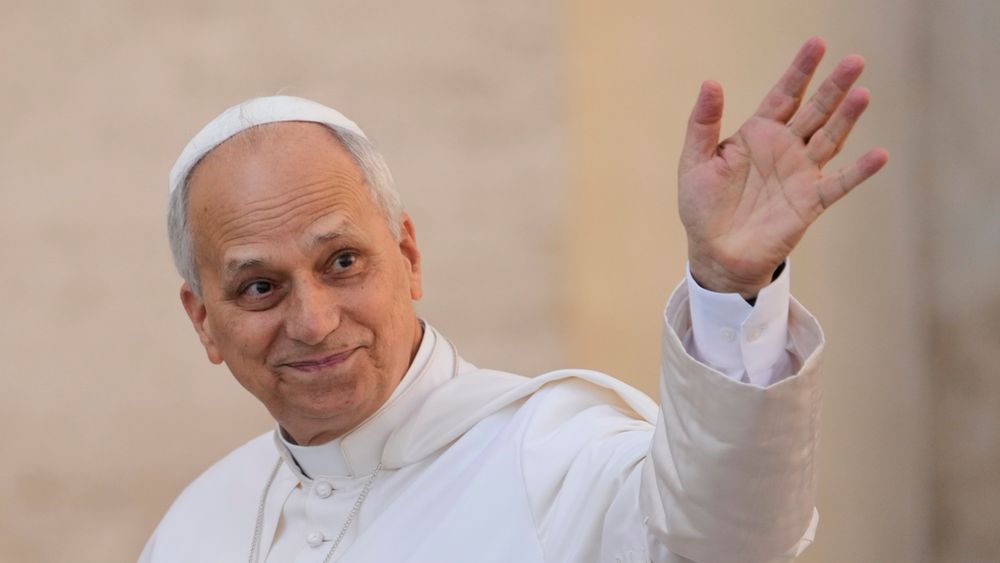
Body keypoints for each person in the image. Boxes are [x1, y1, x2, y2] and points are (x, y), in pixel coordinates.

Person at [139, 37, 887, 563]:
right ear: (204, 321)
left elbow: (726, 537)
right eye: (260, 287)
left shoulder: (556, 456)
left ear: (408, 256)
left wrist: (728, 287)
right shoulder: (195, 525)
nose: (314, 321)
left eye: (342, 262)